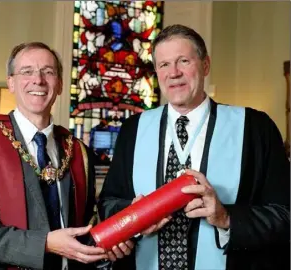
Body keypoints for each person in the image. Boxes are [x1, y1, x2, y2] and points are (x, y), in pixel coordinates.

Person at [98, 24, 290, 270]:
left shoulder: (254, 129)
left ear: (205, 65)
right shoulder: (133, 129)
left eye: (184, 61)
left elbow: (285, 215)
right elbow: (108, 203)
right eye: (164, 65)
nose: (174, 73)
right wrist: (134, 217)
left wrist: (227, 218)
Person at [0, 42, 119, 270]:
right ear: (11, 82)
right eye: (27, 71)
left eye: (48, 72)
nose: (38, 80)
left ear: (60, 84)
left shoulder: (79, 152)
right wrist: (44, 244)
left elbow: (88, 226)